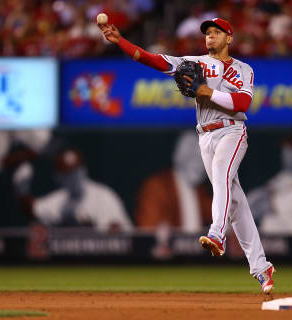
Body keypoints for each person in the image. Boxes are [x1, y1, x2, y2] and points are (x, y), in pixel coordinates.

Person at [99, 17, 274, 297]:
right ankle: (262, 268)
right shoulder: (194, 62)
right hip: (204, 135)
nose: (210, 36)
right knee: (235, 200)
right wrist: (120, 41)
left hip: (232, 130)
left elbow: (243, 103)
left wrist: (205, 90)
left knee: (221, 176)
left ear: (230, 38)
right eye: (207, 33)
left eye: (217, 32)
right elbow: (152, 59)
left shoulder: (244, 69)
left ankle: (217, 234)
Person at [13, 148, 133, 233]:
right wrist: (22, 191)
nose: (74, 178)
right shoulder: (60, 200)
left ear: (84, 171)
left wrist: (90, 231)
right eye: (68, 174)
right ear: (59, 178)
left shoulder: (103, 196)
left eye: (77, 172)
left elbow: (117, 234)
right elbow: (33, 210)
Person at [136, 131, 213, 259]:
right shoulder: (157, 187)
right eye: (192, 153)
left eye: (203, 156)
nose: (199, 161)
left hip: (199, 262)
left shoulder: (200, 191)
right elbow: (148, 233)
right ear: (177, 156)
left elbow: (222, 219)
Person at [248, 133, 292, 235]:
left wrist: (266, 203)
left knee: (268, 222)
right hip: (284, 234)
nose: (288, 154)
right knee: (267, 223)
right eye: (287, 149)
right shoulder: (285, 176)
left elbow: (279, 204)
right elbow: (264, 191)